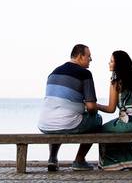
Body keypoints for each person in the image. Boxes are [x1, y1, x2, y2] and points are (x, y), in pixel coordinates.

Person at [37, 43, 103, 171]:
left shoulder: (53, 73)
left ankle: (52, 158)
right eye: (88, 56)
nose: (91, 59)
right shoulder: (84, 74)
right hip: (68, 123)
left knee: (59, 118)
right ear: (79, 56)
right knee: (96, 119)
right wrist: (92, 109)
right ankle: (79, 160)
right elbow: (91, 107)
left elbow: (58, 102)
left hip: (45, 124)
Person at [96, 50, 132, 171]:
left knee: (102, 130)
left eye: (112, 61)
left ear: (118, 64)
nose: (109, 63)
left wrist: (96, 105)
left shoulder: (115, 81)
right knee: (118, 128)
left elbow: (110, 108)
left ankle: (111, 164)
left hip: (129, 122)